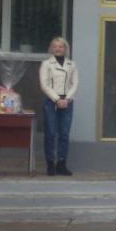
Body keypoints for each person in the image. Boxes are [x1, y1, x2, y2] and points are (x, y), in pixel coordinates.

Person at [39, 37, 77, 176]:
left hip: (67, 101)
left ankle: (61, 164)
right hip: (51, 101)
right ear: (51, 48)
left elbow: (74, 83)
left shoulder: (72, 64)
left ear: (65, 48)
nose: (58, 49)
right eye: (55, 46)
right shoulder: (46, 64)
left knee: (64, 134)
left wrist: (67, 99)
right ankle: (50, 164)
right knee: (50, 133)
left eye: (60, 46)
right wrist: (56, 99)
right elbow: (44, 85)